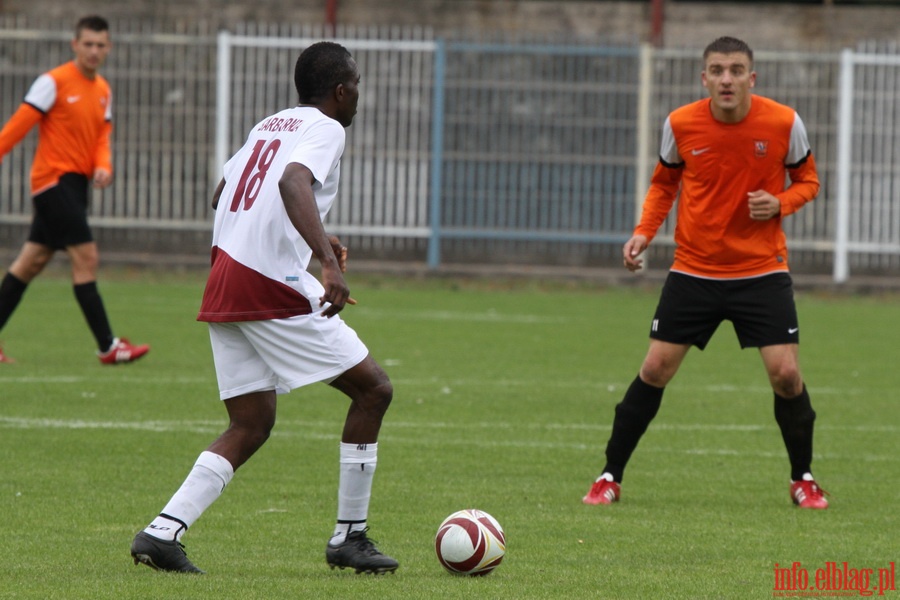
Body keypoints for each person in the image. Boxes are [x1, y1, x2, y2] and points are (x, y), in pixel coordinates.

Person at [130, 41, 399, 575]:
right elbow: (292, 181)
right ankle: (350, 536)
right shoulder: (327, 129)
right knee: (373, 389)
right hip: (265, 283)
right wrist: (327, 261)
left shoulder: (271, 124)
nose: (358, 96)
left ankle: (162, 532)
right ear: (341, 91)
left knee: (251, 421)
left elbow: (225, 191)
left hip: (225, 278)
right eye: (357, 85)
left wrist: (315, 237)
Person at [583, 36, 828, 510]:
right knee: (654, 368)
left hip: (761, 271)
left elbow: (810, 181)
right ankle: (609, 475)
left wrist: (779, 203)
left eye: (737, 70)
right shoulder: (681, 123)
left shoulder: (784, 122)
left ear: (751, 78)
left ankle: (804, 479)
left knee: (786, 375)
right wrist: (643, 233)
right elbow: (663, 185)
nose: (727, 79)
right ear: (705, 78)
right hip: (694, 270)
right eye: (718, 70)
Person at [0, 15, 149, 365]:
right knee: (87, 258)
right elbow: (19, 124)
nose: (94, 51)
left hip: (77, 186)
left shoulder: (103, 91)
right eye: (88, 44)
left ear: (108, 47)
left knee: (30, 262)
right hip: (52, 182)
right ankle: (108, 346)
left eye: (100, 45)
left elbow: (102, 138)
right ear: (75, 45)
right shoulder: (53, 82)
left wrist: (104, 166)